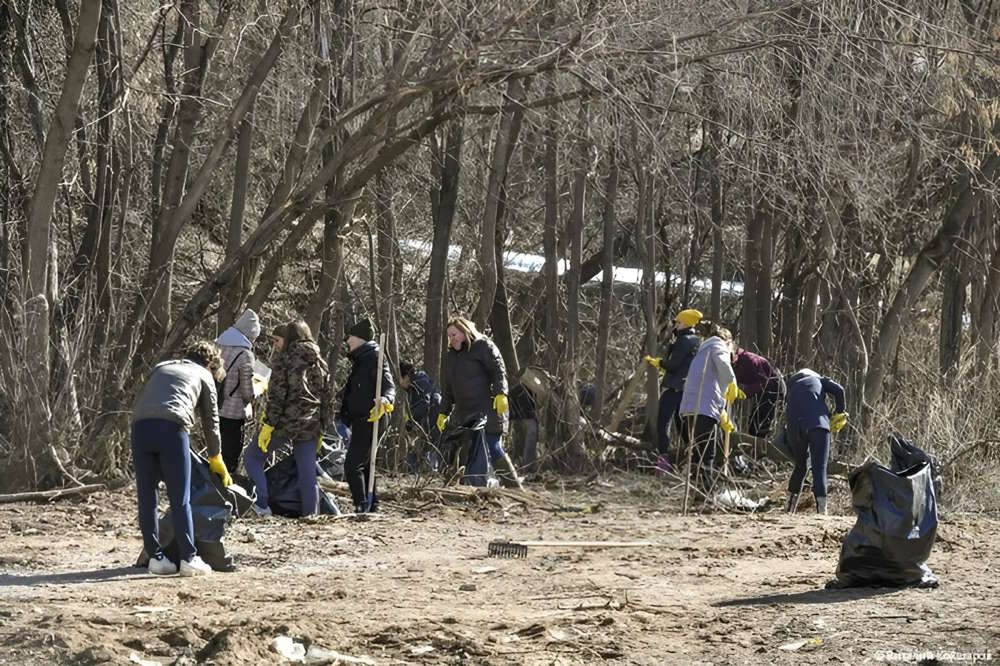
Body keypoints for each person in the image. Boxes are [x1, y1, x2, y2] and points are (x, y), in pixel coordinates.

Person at [131, 340, 232, 576]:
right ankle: (189, 558)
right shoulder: (204, 375)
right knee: (180, 497)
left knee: (147, 496)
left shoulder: (161, 366)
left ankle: (156, 558)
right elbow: (211, 422)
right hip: (172, 428)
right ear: (210, 364)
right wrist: (216, 456)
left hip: (140, 428)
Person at [246, 320, 335, 518]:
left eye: (278, 340)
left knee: (252, 457)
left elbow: (278, 396)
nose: (276, 345)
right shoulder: (320, 362)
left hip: (284, 423)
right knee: (307, 474)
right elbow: (328, 398)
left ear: (290, 338)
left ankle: (262, 504)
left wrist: (268, 424)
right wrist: (323, 426)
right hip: (311, 424)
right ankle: (311, 516)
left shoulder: (284, 359)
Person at [437, 316, 523, 489]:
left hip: (487, 410)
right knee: (464, 450)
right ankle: (466, 487)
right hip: (465, 414)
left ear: (464, 331)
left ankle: (514, 487)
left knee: (492, 446)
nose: (451, 339)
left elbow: (498, 370)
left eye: (454, 334)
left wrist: (501, 393)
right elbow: (448, 389)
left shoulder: (483, 346)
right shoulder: (450, 357)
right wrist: (443, 412)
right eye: (449, 336)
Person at [678, 321, 743, 490]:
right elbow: (724, 367)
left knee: (698, 452)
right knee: (708, 453)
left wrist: (721, 414)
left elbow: (708, 387)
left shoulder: (702, 352)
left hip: (689, 410)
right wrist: (732, 382)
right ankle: (706, 492)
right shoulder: (718, 346)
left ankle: (695, 491)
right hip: (703, 409)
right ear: (728, 343)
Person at [340, 318, 396, 512]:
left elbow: (389, 386)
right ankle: (371, 505)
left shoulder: (375, 358)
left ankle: (361, 504)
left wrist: (386, 401)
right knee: (364, 465)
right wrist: (344, 416)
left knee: (352, 465)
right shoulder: (360, 359)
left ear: (360, 339)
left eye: (350, 337)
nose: (347, 341)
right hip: (360, 418)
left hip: (372, 417)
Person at [643, 308, 703, 473]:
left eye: (678, 322)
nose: (675, 325)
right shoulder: (697, 340)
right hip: (687, 389)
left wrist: (659, 362)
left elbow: (674, 365)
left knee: (663, 423)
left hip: (674, 389)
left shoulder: (683, 341)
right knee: (682, 425)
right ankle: (693, 458)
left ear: (685, 323)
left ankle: (664, 461)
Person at [781, 369, 848, 515]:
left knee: (800, 465)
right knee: (819, 468)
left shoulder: (791, 388)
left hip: (794, 427)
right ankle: (821, 512)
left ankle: (789, 510)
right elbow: (839, 390)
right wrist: (839, 412)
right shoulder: (819, 380)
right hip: (818, 424)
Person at [215, 309, 261, 473]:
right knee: (230, 455)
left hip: (214, 407)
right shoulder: (245, 354)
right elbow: (247, 391)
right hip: (233, 413)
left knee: (215, 452)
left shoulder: (218, 345)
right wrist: (258, 390)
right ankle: (225, 489)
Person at [731, 346, 785, 439]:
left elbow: (764, 381)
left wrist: (745, 392)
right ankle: (755, 450)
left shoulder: (749, 359)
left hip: (773, 388)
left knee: (759, 427)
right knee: (753, 424)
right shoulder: (734, 362)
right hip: (763, 391)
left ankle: (761, 451)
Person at [399, 360, 442, 472]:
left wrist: (411, 422)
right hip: (432, 419)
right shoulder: (419, 380)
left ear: (406, 376)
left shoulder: (417, 383)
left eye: (399, 378)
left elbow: (423, 404)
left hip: (432, 419)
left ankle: (424, 471)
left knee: (425, 446)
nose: (399, 383)